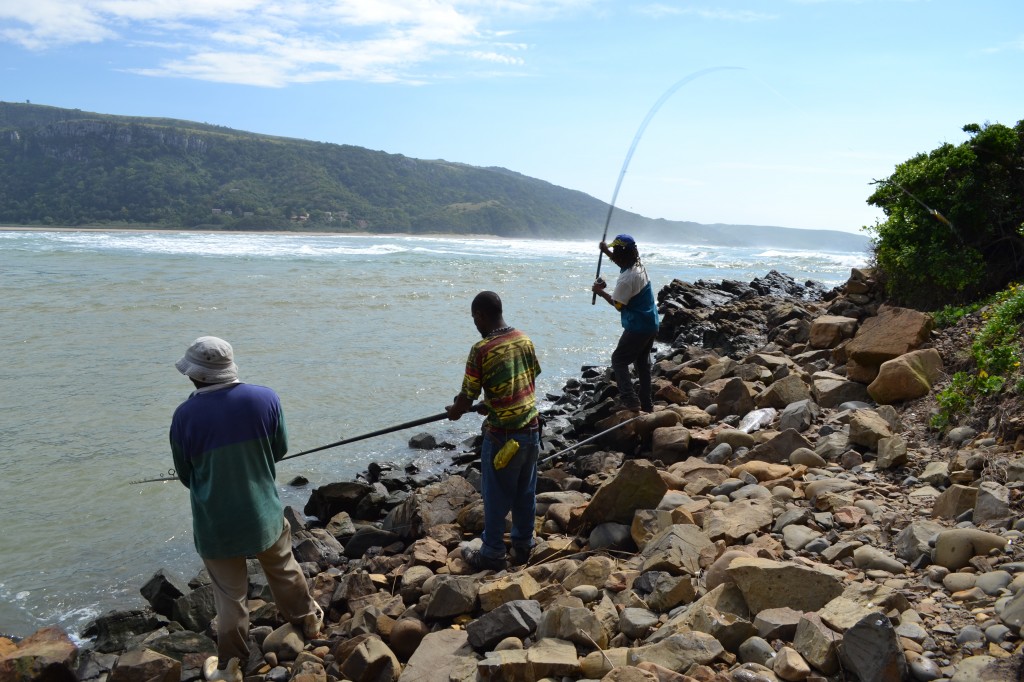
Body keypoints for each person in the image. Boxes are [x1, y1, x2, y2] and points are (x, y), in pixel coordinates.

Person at [169, 336, 323, 682]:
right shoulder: (266, 398)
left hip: (216, 525)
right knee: (283, 567)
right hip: (263, 512)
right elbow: (279, 449)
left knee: (230, 598)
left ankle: (229, 667)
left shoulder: (184, 416)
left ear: (197, 376)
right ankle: (308, 620)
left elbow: (184, 475)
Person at [447, 291, 542, 571]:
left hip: (504, 436)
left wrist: (456, 410)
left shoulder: (481, 349)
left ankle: (491, 553)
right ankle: (524, 546)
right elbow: (524, 380)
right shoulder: (524, 339)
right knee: (525, 492)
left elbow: (466, 397)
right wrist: (492, 402)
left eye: (474, 318)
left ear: (481, 315)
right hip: (532, 430)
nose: (474, 323)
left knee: (496, 496)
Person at [591, 234, 660, 412]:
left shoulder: (626, 279)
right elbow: (622, 261)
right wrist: (606, 251)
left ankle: (630, 401)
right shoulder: (639, 265)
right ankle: (647, 404)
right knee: (642, 363)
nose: (613, 253)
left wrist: (600, 292)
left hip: (638, 327)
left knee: (619, 360)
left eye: (615, 250)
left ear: (622, 254)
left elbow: (618, 304)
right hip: (651, 322)